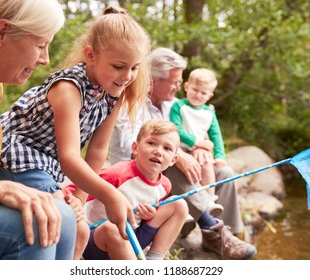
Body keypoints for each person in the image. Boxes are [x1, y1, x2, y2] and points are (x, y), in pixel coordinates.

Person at [0, 6, 151, 259]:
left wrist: (79, 198)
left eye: (134, 68)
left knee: (78, 226)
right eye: (118, 66)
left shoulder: (113, 92)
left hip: (49, 166)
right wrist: (109, 194)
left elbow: (98, 149)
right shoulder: (69, 89)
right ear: (90, 55)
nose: (127, 77)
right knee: (76, 229)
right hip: (19, 156)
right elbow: (69, 157)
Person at [0, 0, 77, 260]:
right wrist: (0, 190)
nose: (46, 59)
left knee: (61, 216)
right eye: (40, 45)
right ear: (1, 32)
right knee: (29, 227)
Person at [109, 47, 257, 259]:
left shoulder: (173, 105)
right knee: (176, 165)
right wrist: (178, 154)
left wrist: (201, 148)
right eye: (174, 81)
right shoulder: (130, 104)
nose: (179, 86)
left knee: (223, 172)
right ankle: (213, 229)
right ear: (153, 80)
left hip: (164, 168)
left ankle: (229, 233)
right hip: (137, 174)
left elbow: (191, 134)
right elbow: (132, 149)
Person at [77, 119, 188, 260]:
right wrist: (74, 203)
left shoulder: (165, 185)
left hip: (133, 238)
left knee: (179, 205)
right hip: (100, 243)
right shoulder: (117, 173)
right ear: (135, 148)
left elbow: (146, 217)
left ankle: (153, 259)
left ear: (173, 159)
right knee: (113, 227)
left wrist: (149, 215)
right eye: (151, 143)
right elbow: (78, 187)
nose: (158, 151)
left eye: (167, 148)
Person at [169, 68, 225, 217]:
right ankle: (186, 207)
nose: (198, 95)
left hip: (200, 151)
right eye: (195, 90)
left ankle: (210, 200)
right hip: (181, 149)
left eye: (203, 93)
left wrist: (220, 155)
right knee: (185, 174)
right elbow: (176, 129)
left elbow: (216, 135)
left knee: (206, 164)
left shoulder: (209, 113)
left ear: (210, 96)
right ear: (187, 87)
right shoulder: (179, 106)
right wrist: (198, 143)